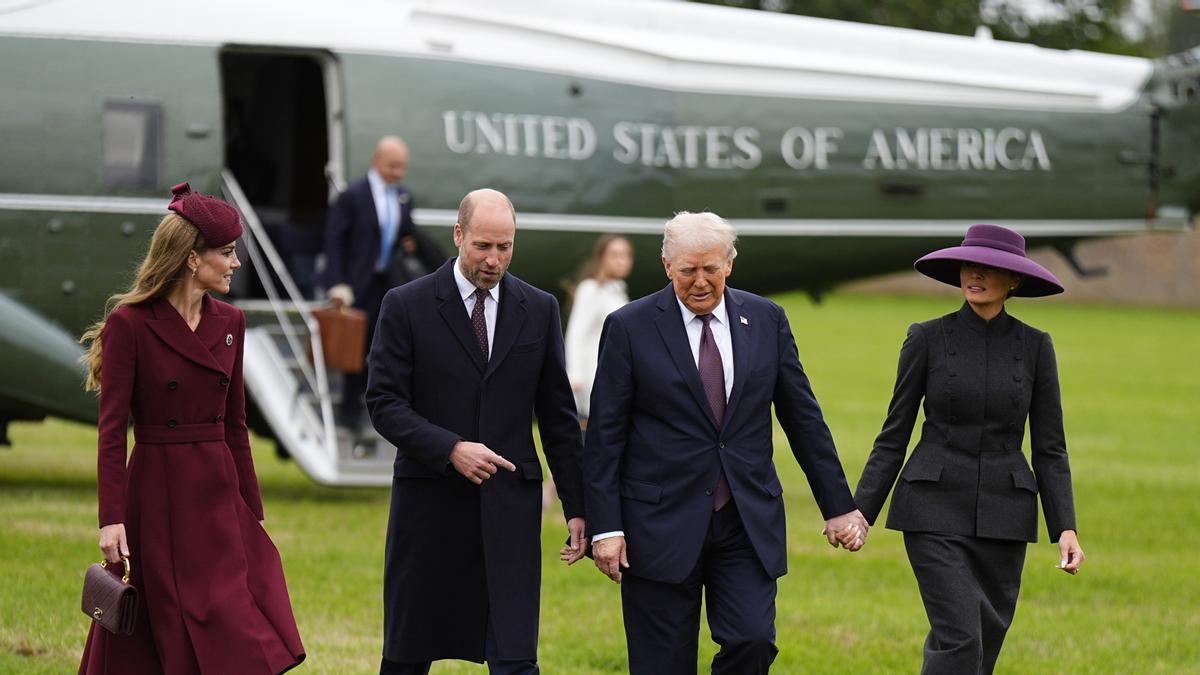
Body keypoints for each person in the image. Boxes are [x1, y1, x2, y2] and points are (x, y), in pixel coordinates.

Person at [584, 211, 868, 675]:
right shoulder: (629, 327)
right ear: (666, 266)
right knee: (661, 664)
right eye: (688, 270)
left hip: (744, 519)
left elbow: (803, 418)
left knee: (752, 641)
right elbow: (604, 435)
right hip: (658, 523)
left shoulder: (766, 319)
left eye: (710, 269)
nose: (700, 282)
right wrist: (606, 527)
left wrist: (837, 505)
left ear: (729, 264)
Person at [77, 183, 305, 674]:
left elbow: (236, 425)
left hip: (217, 494)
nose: (236, 263)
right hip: (154, 493)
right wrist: (111, 517)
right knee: (159, 620)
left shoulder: (232, 322)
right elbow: (112, 432)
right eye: (226, 253)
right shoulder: (130, 325)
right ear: (190, 259)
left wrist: (251, 508)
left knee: (229, 612)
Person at [367, 188, 587, 675]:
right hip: (430, 507)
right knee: (408, 654)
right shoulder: (406, 305)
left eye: (505, 247)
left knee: (514, 657)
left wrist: (578, 505)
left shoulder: (540, 308)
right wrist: (450, 448)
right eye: (483, 246)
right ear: (458, 235)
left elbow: (557, 418)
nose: (493, 260)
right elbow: (383, 403)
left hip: (509, 509)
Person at [854, 223, 1086, 675]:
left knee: (983, 647)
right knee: (961, 639)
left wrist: (1066, 528)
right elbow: (894, 432)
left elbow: (1051, 447)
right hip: (932, 508)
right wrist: (861, 511)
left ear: (1014, 280)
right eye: (968, 265)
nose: (974, 275)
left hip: (1006, 513)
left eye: (989, 268)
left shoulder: (1036, 347)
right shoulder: (926, 338)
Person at [322, 135, 444, 428]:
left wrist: (433, 260)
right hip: (357, 284)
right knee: (355, 347)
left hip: (388, 283)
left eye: (402, 167)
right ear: (377, 161)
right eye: (392, 166)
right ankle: (349, 410)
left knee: (381, 346)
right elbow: (334, 241)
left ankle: (373, 405)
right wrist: (338, 283)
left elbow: (406, 232)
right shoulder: (353, 195)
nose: (397, 173)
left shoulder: (403, 196)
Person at [564, 234, 634, 421]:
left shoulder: (619, 288)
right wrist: (574, 374)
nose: (622, 261)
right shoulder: (590, 288)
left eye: (626, 255)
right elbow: (576, 332)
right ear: (602, 257)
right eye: (615, 255)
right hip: (592, 375)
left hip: (616, 373)